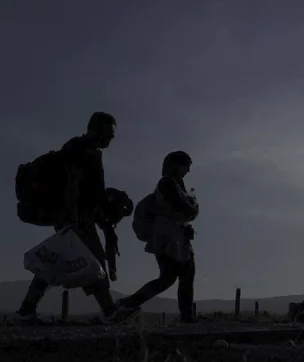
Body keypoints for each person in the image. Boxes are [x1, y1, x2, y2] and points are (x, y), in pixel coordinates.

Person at [13, 112, 139, 325]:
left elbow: (89, 192)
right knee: (95, 260)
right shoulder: (80, 151)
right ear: (96, 130)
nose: (112, 138)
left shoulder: (87, 151)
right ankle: (110, 312)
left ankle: (26, 310)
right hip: (76, 219)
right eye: (110, 132)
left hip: (75, 217)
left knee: (53, 262)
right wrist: (74, 221)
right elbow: (72, 187)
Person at [117, 151, 199, 323]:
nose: (188, 171)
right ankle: (129, 303)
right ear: (177, 165)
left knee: (178, 275)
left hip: (174, 236)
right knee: (175, 275)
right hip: (168, 236)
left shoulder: (176, 184)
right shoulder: (167, 183)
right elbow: (182, 208)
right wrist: (193, 206)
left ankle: (129, 303)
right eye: (186, 167)